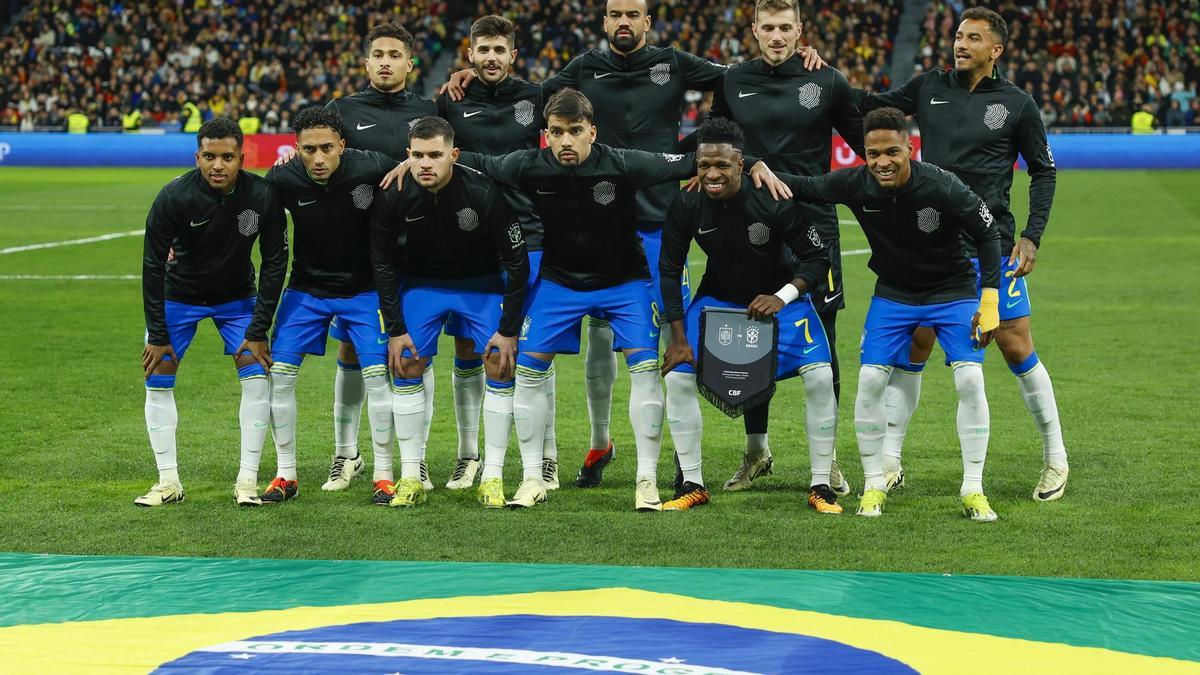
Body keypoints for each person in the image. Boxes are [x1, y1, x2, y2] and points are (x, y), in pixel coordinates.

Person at [443, 0, 824, 490]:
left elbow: (737, 81)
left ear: (647, 21)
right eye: (614, 13)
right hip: (597, 231)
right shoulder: (583, 68)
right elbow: (532, 97)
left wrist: (795, 61)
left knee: (674, 337)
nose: (623, 21)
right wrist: (476, 71)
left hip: (660, 225)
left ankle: (689, 465)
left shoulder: (674, 62)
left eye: (633, 14)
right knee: (601, 341)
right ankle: (601, 441)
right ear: (605, 22)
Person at [387, 88, 787, 509]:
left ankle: (645, 481)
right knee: (526, 371)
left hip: (625, 282)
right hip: (560, 282)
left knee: (646, 371)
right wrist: (413, 162)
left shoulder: (622, 162)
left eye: (574, 131)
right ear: (546, 135)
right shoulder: (529, 166)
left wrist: (756, 162)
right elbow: (472, 160)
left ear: (591, 132)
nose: (565, 140)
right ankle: (530, 479)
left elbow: (695, 161)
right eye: (556, 132)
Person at [857, 8, 1067, 502]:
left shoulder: (1017, 104)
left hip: (989, 244)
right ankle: (890, 460)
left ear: (996, 50)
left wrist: (1032, 235)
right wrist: (823, 77)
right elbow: (870, 106)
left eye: (973, 38)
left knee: (1016, 345)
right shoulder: (929, 86)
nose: (960, 44)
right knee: (917, 345)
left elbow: (1044, 171)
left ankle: (1055, 456)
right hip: (932, 246)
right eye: (957, 36)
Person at [780, 107, 1003, 521]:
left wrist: (989, 301)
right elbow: (803, 186)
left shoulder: (943, 186)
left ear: (909, 148)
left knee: (970, 379)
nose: (882, 162)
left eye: (892, 152)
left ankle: (973, 488)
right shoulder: (856, 183)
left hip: (952, 292)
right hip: (895, 295)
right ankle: (873, 486)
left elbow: (987, 232)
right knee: (868, 380)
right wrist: (753, 168)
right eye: (873, 153)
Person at [681, 0, 864, 494]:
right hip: (749, 230)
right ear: (754, 30)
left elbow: (865, 146)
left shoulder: (828, 82)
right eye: (769, 27)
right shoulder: (733, 80)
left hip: (813, 227)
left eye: (786, 27)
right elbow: (712, 138)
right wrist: (754, 160)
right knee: (752, 337)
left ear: (800, 31)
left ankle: (828, 462)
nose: (777, 36)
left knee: (822, 346)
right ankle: (757, 450)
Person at [660, 117, 839, 513]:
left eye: (722, 165)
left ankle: (822, 484)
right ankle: (692, 483)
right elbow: (670, 270)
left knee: (822, 376)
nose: (711, 173)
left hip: (779, 301)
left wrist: (782, 296)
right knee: (678, 376)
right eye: (704, 165)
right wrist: (678, 339)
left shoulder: (772, 199)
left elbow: (816, 258)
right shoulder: (687, 201)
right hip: (718, 300)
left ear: (741, 164)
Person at [371, 116, 529, 508]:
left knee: (498, 360)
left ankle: (491, 476)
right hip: (422, 285)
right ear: (407, 155)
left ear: (453, 155)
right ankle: (410, 476)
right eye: (418, 155)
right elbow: (383, 263)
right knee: (405, 361)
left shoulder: (483, 191)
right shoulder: (394, 193)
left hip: (479, 284)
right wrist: (395, 330)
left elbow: (518, 263)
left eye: (435, 155)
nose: (426, 163)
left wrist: (508, 331)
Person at [138, 118, 288, 507]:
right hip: (179, 297)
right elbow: (152, 266)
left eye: (227, 157)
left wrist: (258, 329)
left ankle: (247, 482)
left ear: (242, 157)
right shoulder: (173, 196)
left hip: (237, 299)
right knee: (158, 376)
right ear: (197, 157)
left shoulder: (262, 195)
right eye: (209, 156)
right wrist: (157, 334)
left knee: (257, 379)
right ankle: (168, 481)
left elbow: (275, 264)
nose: (217, 165)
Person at [435, 15, 555, 492]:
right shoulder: (449, 100)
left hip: (529, 237)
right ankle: (468, 455)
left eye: (498, 50)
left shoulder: (537, 97)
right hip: (467, 239)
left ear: (513, 54)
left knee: (532, 350)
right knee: (467, 348)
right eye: (481, 50)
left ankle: (546, 454)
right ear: (469, 54)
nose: (490, 58)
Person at [318, 23, 439, 493]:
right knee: (349, 350)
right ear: (366, 63)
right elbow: (317, 162)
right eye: (378, 54)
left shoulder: (430, 111)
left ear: (411, 63)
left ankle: (417, 458)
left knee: (416, 354)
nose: (385, 62)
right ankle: (345, 454)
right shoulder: (342, 111)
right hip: (357, 249)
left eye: (395, 54)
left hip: (422, 248)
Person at [261, 107, 399, 505]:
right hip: (306, 290)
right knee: (281, 376)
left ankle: (384, 475)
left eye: (326, 148)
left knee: (377, 379)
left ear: (343, 145)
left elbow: (415, 171)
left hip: (364, 291)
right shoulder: (283, 177)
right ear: (296, 149)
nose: (318, 158)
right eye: (308, 150)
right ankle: (286, 473)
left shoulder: (371, 166)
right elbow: (249, 213)